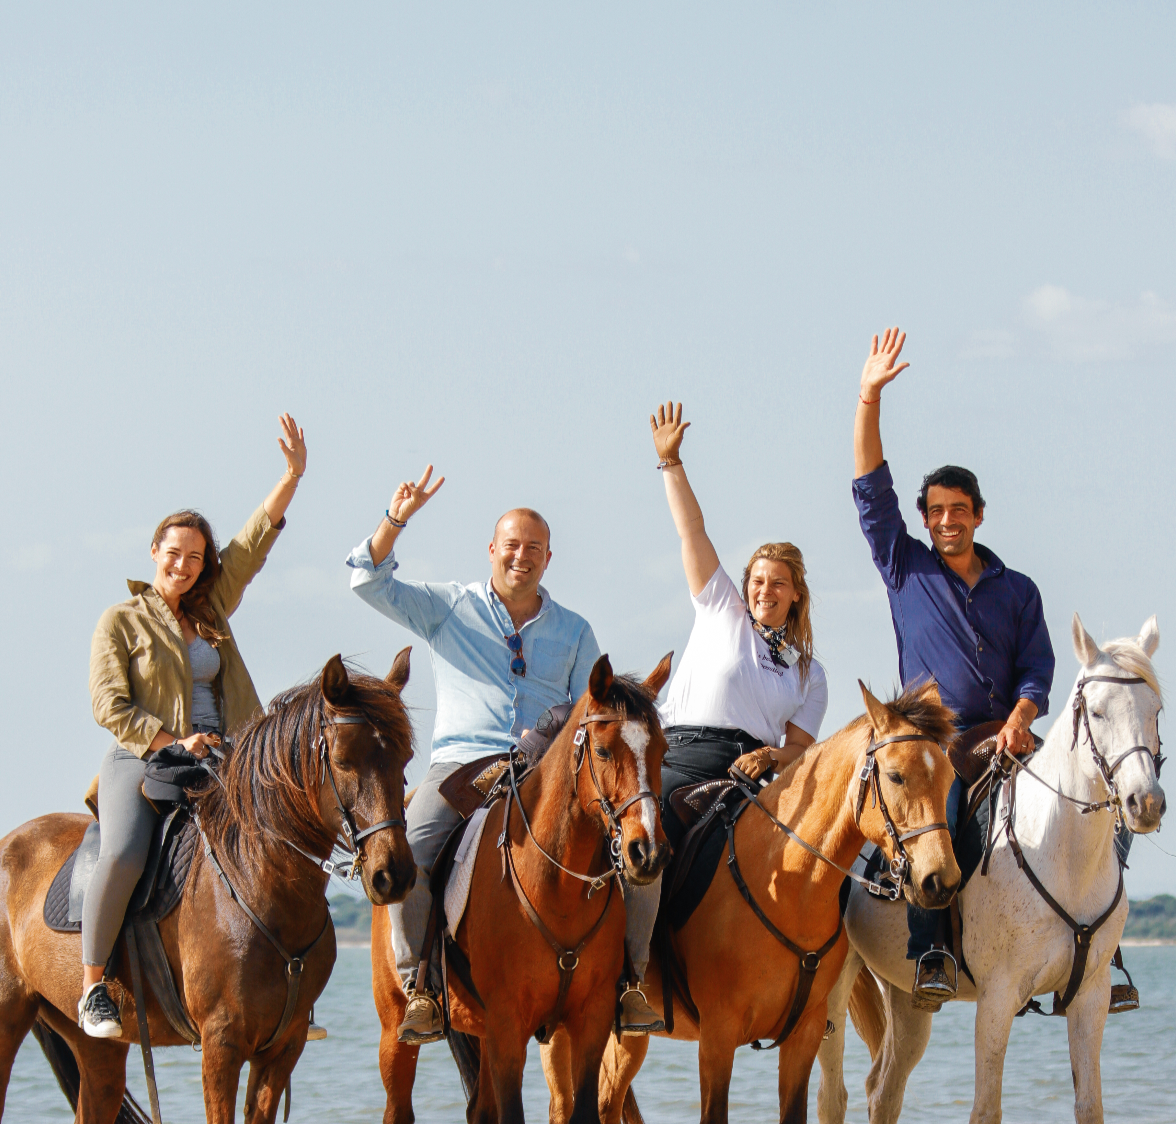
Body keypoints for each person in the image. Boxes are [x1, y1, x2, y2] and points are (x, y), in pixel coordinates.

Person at [347, 469, 665, 1044]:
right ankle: (419, 988)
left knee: (640, 849)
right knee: (408, 858)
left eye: (534, 549)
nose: (522, 556)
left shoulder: (575, 629)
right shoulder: (448, 607)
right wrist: (396, 520)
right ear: (492, 550)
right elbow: (367, 580)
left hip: (548, 769)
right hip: (460, 765)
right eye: (512, 546)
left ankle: (631, 985)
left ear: (549, 559)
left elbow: (593, 704)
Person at [80, 413, 308, 1037]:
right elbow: (108, 704)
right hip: (143, 757)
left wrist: (291, 476)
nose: (183, 565)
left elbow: (254, 540)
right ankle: (94, 986)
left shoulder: (212, 610)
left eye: (195, 557)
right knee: (124, 851)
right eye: (173, 554)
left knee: (288, 844)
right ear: (154, 552)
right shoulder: (120, 620)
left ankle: (288, 992)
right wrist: (170, 741)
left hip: (229, 756)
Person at [852, 327, 1056, 1008]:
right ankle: (931, 949)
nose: (947, 521)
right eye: (936, 511)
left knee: (1095, 797)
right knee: (935, 820)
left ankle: (1097, 952)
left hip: (1011, 729)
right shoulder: (903, 567)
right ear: (925, 518)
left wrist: (1023, 720)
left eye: (958, 511)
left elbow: (1037, 666)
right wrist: (868, 397)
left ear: (978, 515)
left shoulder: (1018, 588)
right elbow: (869, 489)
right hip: (937, 738)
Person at [623, 400, 829, 981]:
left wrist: (773, 756)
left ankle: (815, 977)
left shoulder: (811, 672)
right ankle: (633, 968)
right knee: (645, 826)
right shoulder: (721, 609)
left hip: (754, 769)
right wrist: (671, 464)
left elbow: (802, 748)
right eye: (757, 580)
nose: (765, 590)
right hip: (682, 753)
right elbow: (693, 529)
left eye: (778, 584)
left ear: (795, 596)